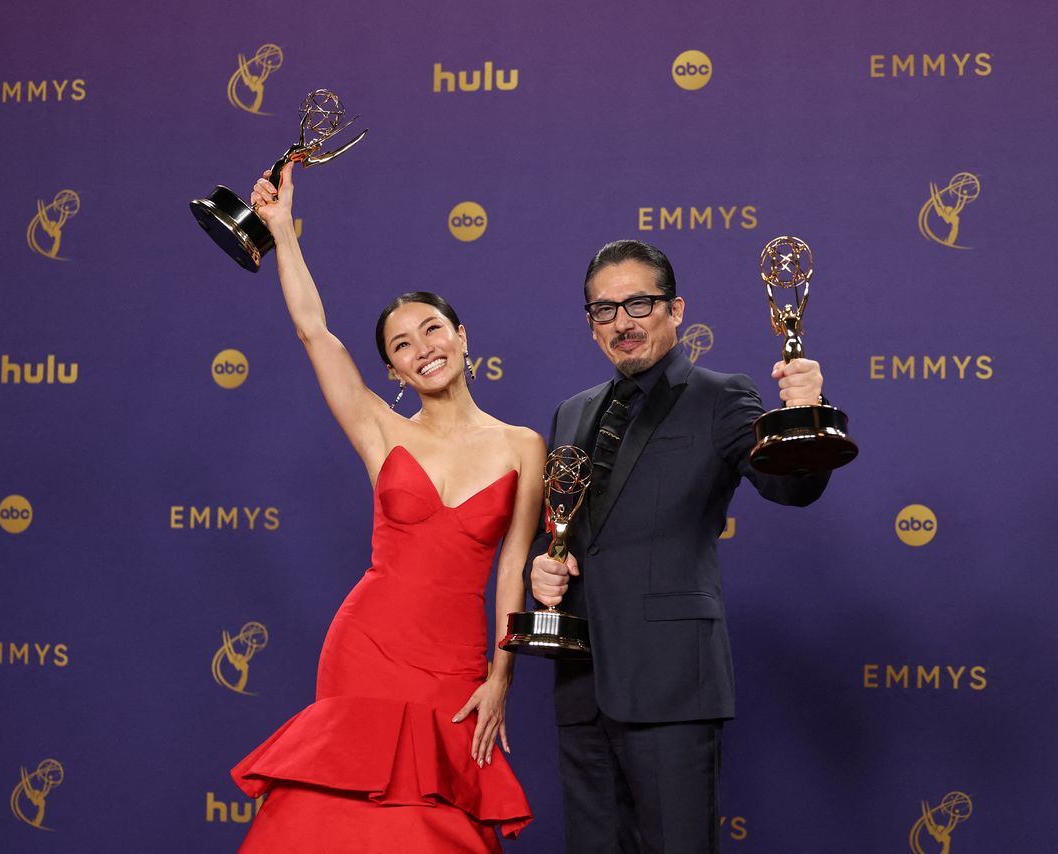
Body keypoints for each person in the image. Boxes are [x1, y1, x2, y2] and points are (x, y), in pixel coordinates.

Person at [231, 161, 544, 852]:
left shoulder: (523, 446)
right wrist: (282, 229)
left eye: (432, 330)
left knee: (432, 826)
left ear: (462, 335)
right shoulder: (382, 432)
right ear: (394, 372)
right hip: (366, 648)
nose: (423, 349)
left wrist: (502, 676)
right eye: (402, 345)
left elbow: (513, 569)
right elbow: (315, 331)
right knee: (340, 823)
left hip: (456, 661)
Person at [529, 239, 832, 853]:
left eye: (638, 304)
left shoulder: (721, 396)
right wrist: (542, 567)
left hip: (671, 685)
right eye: (605, 310)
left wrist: (804, 413)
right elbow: (559, 527)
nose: (622, 322)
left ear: (676, 309)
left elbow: (791, 487)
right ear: (591, 324)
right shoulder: (570, 413)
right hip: (582, 686)